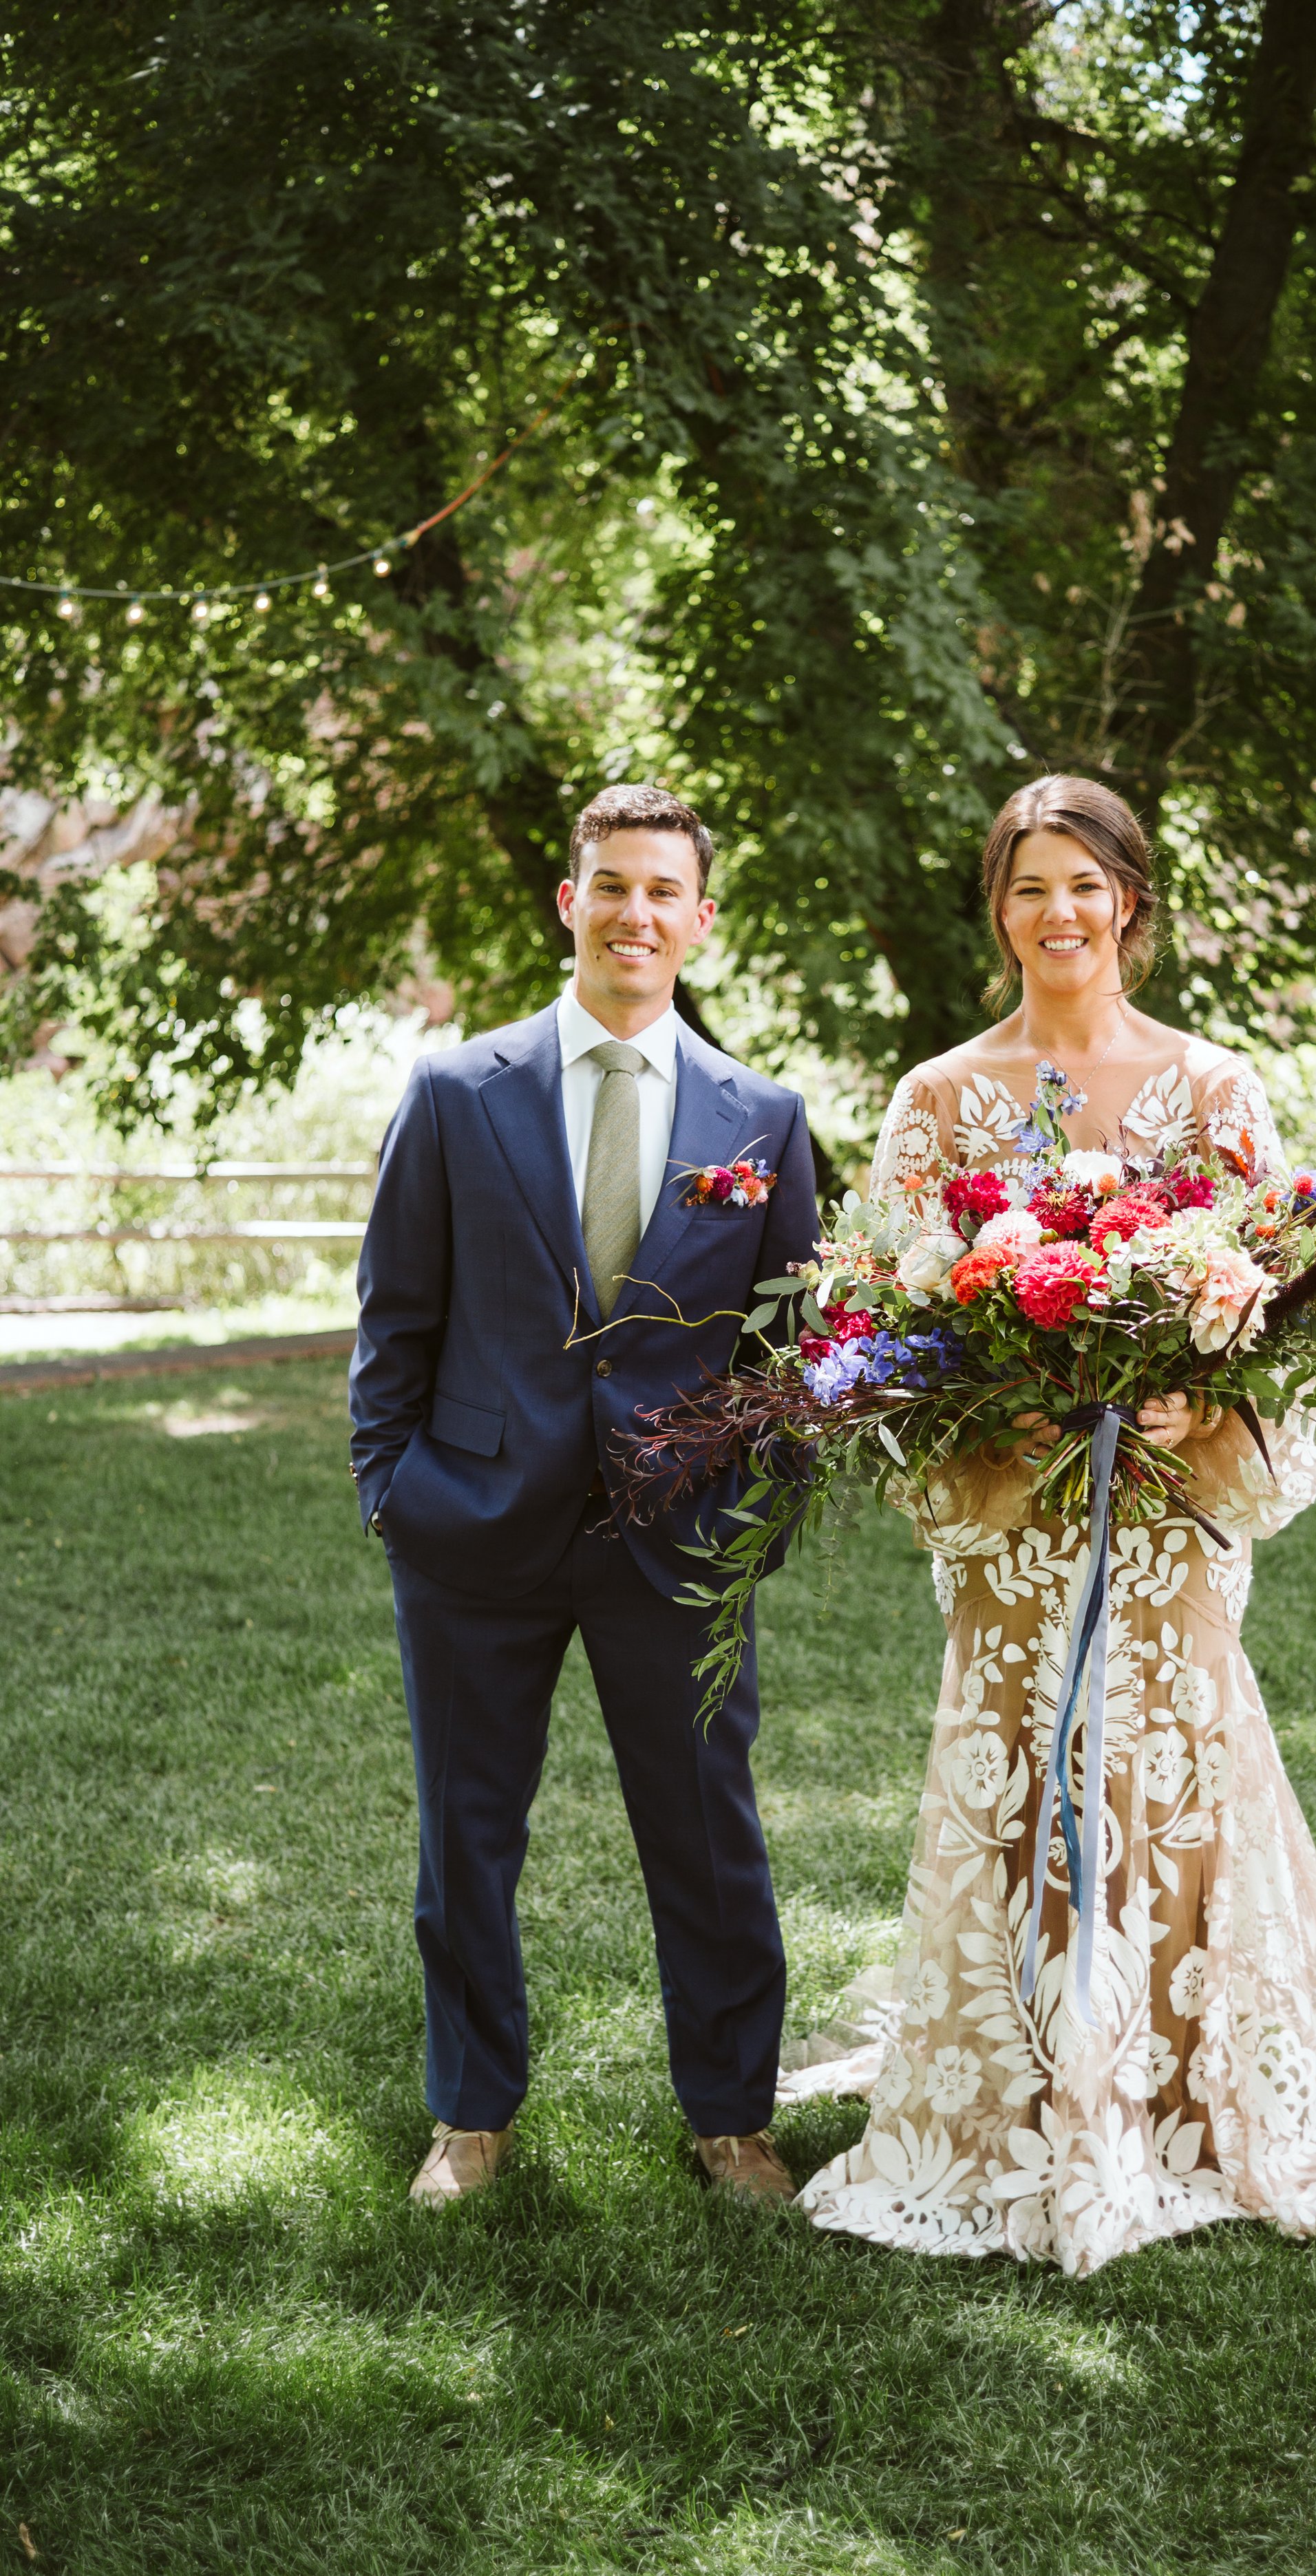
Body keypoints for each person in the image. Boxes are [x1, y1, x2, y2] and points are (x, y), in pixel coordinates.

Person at [787, 774, 1316, 2274]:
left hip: (1169, 1514)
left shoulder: (1215, 1091)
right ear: (995, 911)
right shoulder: (936, 1099)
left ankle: (1187, 2072)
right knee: (1017, 1766)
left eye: (1083, 884)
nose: (1056, 913)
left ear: (1129, 900)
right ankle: (1020, 2083)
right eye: (1026, 887)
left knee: (1172, 1769)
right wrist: (988, 1415)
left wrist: (1210, 1406)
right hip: (1018, 1514)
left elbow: (1280, 1327)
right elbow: (878, 1324)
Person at [350, 783, 819, 2208]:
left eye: (662, 891)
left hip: (675, 1544)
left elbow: (794, 1355)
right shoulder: (454, 1092)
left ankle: (731, 2116)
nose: (635, 913)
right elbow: (395, 1321)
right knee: (466, 1842)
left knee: (709, 1838)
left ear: (700, 920)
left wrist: (760, 1516)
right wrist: (394, 1492)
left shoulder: (766, 1118)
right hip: (472, 1533)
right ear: (571, 902)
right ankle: (469, 2113)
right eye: (610, 885)